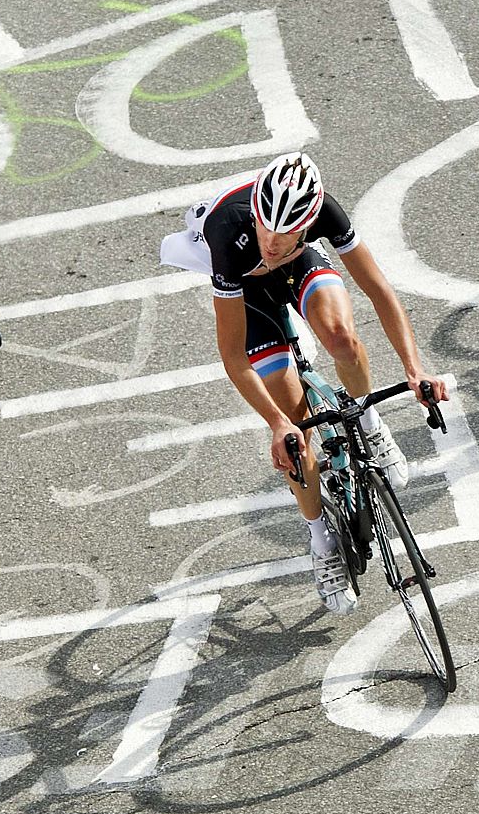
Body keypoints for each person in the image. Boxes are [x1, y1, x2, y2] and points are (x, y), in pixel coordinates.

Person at [186, 152, 448, 616]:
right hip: (246, 296)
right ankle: (321, 539)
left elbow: (380, 292)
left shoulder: (326, 211)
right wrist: (275, 423)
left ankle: (368, 420)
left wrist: (414, 369)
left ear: (307, 226)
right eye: (266, 228)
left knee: (341, 338)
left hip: (301, 267)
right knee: (297, 430)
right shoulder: (229, 232)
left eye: (284, 235)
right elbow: (232, 354)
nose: (270, 242)